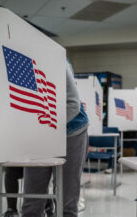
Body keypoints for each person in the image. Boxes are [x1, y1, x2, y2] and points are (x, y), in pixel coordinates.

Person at [22, 62, 89, 217]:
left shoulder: (58, 62)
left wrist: (41, 127)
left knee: (67, 199)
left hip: (71, 130)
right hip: (39, 132)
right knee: (32, 198)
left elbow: (73, 106)